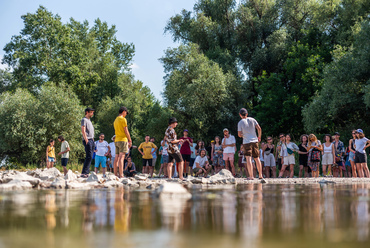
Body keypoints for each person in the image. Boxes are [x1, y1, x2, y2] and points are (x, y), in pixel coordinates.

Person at [237, 108, 263, 180]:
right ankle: (260, 175)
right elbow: (259, 128)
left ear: (240, 115)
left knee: (248, 159)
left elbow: (239, 134)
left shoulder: (240, 122)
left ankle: (251, 176)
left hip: (247, 142)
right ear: (247, 114)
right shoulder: (253, 119)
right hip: (255, 141)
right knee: (257, 158)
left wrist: (244, 135)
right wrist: (259, 137)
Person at [113, 106, 132, 178]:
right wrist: (130, 140)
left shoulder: (115, 120)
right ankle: (121, 175)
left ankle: (115, 174)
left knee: (116, 158)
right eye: (126, 113)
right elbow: (126, 131)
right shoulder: (123, 119)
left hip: (116, 140)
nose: (126, 114)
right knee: (121, 158)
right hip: (123, 140)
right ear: (123, 111)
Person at [81, 107, 95, 178]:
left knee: (90, 157)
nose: (92, 113)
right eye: (91, 112)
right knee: (88, 156)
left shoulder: (89, 121)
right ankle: (84, 173)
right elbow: (83, 130)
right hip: (88, 140)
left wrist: (93, 140)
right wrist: (86, 140)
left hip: (91, 140)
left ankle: (86, 172)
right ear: (87, 112)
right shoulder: (84, 120)